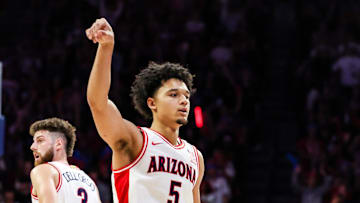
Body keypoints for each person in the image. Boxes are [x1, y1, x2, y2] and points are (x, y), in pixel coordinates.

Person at [85, 18, 205, 203]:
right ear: (152, 103)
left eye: (186, 96)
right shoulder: (136, 140)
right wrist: (106, 47)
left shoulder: (195, 157)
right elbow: (97, 103)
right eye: (173, 95)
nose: (183, 101)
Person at [29, 117, 102, 203]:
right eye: (34, 141)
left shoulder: (44, 170)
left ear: (58, 144)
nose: (32, 147)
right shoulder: (90, 182)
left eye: (40, 140)